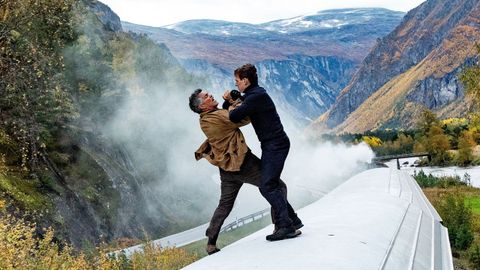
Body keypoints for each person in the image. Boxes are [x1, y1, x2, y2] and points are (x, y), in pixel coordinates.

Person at [189, 89, 301, 254]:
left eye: (208, 94)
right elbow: (242, 117)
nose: (211, 95)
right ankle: (282, 225)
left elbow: (229, 116)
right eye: (206, 97)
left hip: (226, 169)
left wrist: (229, 103)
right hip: (243, 164)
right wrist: (236, 101)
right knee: (276, 186)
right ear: (202, 106)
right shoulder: (216, 117)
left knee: (225, 204)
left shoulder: (206, 119)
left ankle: (211, 242)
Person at [224, 64, 302, 241]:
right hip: (272, 145)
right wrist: (234, 100)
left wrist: (231, 101)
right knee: (270, 184)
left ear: (245, 80)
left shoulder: (255, 97)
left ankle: (286, 226)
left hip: (276, 145)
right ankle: (293, 220)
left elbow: (234, 117)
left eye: (237, 81)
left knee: (267, 186)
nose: (236, 85)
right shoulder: (254, 94)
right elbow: (240, 107)